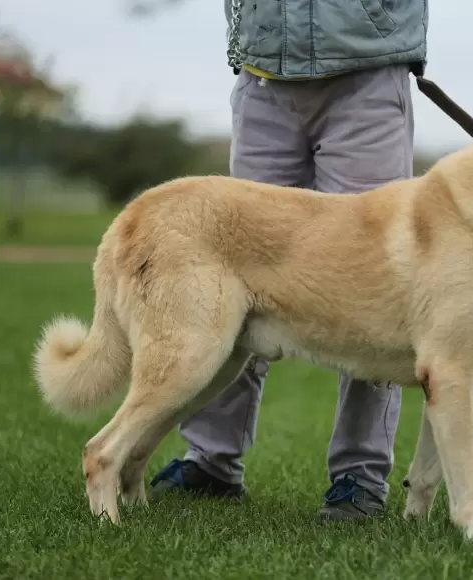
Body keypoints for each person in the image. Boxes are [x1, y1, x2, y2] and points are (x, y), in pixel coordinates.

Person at [149, 0, 429, 521]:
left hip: (366, 72)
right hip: (262, 79)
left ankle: (360, 479)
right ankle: (211, 461)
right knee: (235, 274)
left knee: (372, 284)